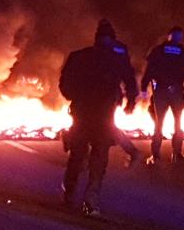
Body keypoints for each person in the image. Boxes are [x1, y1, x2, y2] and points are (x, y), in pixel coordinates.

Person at [58, 19, 139, 216]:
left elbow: (65, 85)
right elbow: (130, 82)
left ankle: (72, 194)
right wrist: (129, 102)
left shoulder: (80, 56)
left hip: (85, 113)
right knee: (96, 158)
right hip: (100, 115)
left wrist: (75, 97)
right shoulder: (116, 58)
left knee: (80, 156)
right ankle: (90, 199)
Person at [140, 26, 184, 165]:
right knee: (167, 123)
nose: (178, 38)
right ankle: (167, 154)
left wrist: (144, 87)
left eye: (179, 35)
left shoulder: (159, 51)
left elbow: (149, 70)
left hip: (165, 91)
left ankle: (162, 155)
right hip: (172, 91)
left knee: (167, 123)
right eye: (176, 35)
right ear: (170, 36)